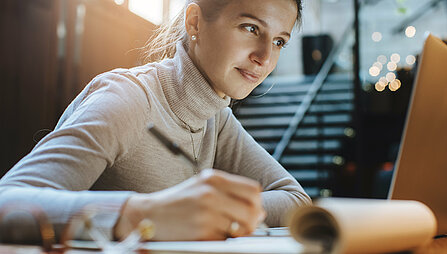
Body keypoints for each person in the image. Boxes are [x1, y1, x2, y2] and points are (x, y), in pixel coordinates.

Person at [0, 0, 311, 243]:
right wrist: (142, 215)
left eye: (280, 41)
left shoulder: (217, 118)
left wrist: (215, 209)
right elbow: (8, 202)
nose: (265, 57)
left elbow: (297, 200)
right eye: (251, 28)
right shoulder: (128, 99)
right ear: (195, 22)